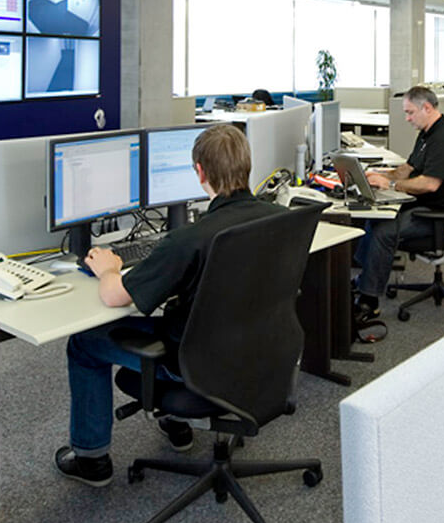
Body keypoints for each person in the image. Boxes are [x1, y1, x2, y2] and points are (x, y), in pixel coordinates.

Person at [55, 124, 284, 487]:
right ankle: (176, 425)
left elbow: (115, 296)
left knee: (84, 343)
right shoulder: (278, 220)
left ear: (200, 172)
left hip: (196, 364)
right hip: (256, 351)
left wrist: (109, 268)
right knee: (179, 312)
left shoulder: (188, 239)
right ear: (247, 166)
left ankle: (90, 458)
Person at [352, 86, 444, 323]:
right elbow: (409, 169)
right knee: (373, 216)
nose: (407, 119)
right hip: (421, 204)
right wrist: (381, 175)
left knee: (384, 231)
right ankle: (365, 280)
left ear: (427, 108)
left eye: (410, 112)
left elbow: (429, 184)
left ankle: (369, 301)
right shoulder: (427, 133)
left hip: (437, 215)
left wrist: (391, 186)